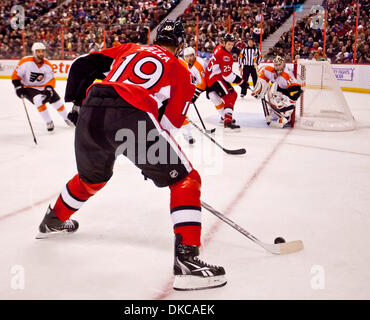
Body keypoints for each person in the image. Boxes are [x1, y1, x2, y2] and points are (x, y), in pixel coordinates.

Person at [35, 20, 227, 291]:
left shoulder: (130, 48)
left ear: (157, 38)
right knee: (186, 180)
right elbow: (169, 127)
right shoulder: (180, 69)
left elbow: (82, 64)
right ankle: (188, 263)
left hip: (93, 107)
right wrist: (154, 162)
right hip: (130, 114)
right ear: (180, 44)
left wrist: (77, 103)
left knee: (92, 178)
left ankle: (53, 220)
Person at [11, 42, 73, 132]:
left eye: (42, 51)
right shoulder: (25, 62)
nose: (41, 53)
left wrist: (49, 89)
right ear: (33, 52)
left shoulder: (48, 65)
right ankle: (48, 121)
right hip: (29, 87)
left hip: (43, 86)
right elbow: (16, 76)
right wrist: (18, 87)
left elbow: (51, 80)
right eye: (38, 51)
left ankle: (67, 118)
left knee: (57, 102)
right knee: (38, 100)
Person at [205, 33, 243, 131]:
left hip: (214, 77)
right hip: (215, 79)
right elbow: (227, 76)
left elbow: (224, 71)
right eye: (229, 44)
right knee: (229, 97)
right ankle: (227, 123)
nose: (230, 46)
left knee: (233, 94)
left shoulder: (219, 47)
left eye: (232, 44)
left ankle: (224, 116)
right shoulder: (226, 56)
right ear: (224, 43)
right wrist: (240, 81)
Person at [252, 56, 302, 128]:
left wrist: (288, 111)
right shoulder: (271, 71)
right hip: (279, 88)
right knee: (273, 94)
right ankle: (278, 113)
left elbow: (296, 92)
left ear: (283, 64)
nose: (277, 67)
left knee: (285, 102)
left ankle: (286, 116)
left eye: (279, 65)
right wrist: (259, 90)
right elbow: (264, 72)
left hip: (288, 91)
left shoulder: (287, 74)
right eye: (275, 65)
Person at [178, 46, 208, 144]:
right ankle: (187, 133)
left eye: (191, 56)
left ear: (194, 55)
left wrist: (194, 95)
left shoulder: (198, 65)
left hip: (198, 88)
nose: (189, 58)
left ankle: (187, 133)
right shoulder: (184, 63)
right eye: (187, 57)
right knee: (180, 110)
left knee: (181, 110)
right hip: (187, 88)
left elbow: (202, 84)